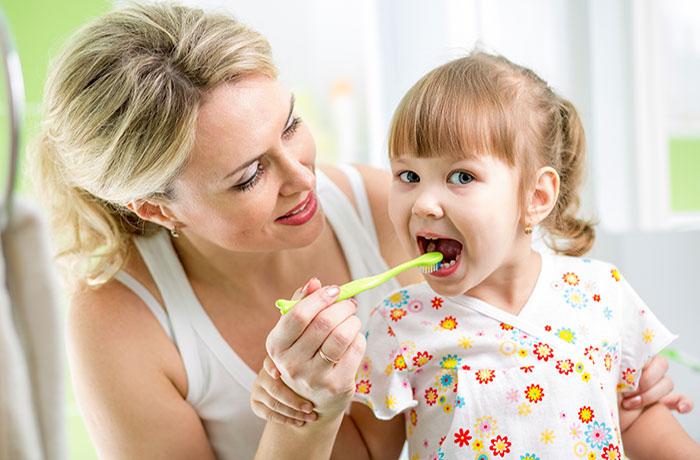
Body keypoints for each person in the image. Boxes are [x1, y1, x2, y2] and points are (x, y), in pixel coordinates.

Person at [29, 3, 686, 459]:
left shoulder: (390, 206)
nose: (304, 177)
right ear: (157, 210)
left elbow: (531, 329)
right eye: (250, 174)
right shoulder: (119, 322)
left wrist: (609, 379)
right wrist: (309, 406)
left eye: (290, 124)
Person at [257, 52, 700, 459]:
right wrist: (312, 398)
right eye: (408, 174)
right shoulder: (397, 324)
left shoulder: (601, 293)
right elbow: (371, 452)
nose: (424, 204)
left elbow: (636, 419)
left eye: (461, 176)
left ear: (536, 196)